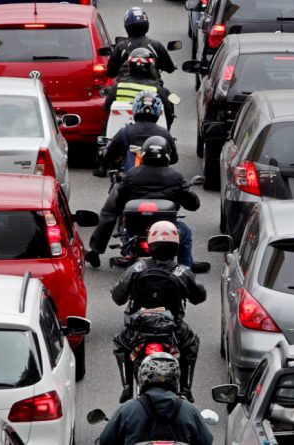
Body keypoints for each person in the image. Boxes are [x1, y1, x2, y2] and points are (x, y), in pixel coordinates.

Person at [111, 221, 206, 402]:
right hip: (173, 330)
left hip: (138, 330)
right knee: (192, 342)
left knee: (120, 343)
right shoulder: (182, 272)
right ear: (176, 246)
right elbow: (199, 298)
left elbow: (117, 297)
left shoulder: (137, 268)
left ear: (151, 244)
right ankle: (186, 389)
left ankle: (127, 388)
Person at [86, 136, 199, 268]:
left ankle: (128, 258)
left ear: (144, 154)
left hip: (135, 231)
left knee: (127, 233)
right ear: (167, 155)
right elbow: (193, 204)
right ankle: (186, 270)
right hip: (166, 231)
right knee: (186, 234)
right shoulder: (176, 177)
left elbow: (119, 201)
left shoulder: (131, 174)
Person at [99, 352, 213, 445]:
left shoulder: (128, 409)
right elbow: (206, 441)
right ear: (176, 377)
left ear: (142, 376)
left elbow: (106, 440)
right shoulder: (189, 409)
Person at [97, 89, 178, 176]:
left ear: (135, 107)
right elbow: (174, 159)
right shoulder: (165, 134)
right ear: (158, 110)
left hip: (131, 180)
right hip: (158, 180)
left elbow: (109, 155)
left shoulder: (125, 132)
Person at [104, 48, 176, 131]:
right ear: (150, 66)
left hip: (120, 134)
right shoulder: (157, 89)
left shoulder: (118, 87)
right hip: (151, 134)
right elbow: (168, 114)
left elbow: (107, 108)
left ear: (130, 65)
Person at [107, 7, 176, 81]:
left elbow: (111, 73)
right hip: (153, 87)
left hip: (125, 86)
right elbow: (169, 68)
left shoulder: (120, 47)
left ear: (127, 25)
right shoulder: (156, 45)